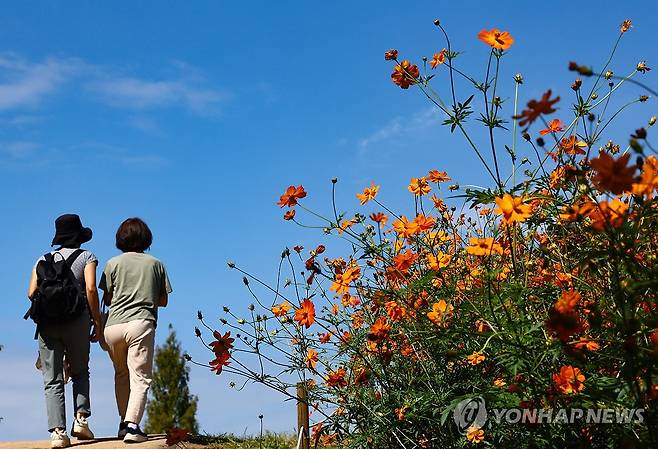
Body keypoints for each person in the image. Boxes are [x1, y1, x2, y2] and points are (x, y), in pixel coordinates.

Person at [27, 214, 103, 448]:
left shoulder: (43, 259)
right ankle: (81, 420)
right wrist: (97, 322)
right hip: (77, 321)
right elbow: (90, 289)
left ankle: (58, 433)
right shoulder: (87, 256)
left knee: (52, 379)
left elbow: (31, 293)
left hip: (48, 325)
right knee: (80, 371)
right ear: (80, 236)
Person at [100, 217, 172, 443]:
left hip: (112, 326)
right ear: (146, 238)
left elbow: (108, 298)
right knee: (140, 377)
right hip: (140, 323)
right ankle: (132, 427)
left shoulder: (112, 263)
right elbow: (163, 301)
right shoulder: (156, 264)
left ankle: (124, 422)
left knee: (121, 374)